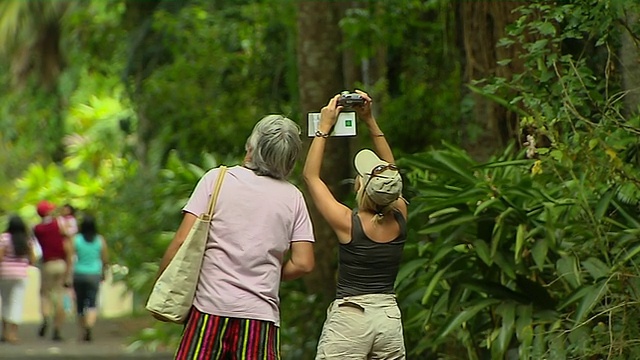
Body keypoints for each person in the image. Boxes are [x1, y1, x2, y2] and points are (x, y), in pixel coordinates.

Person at [159, 115, 316, 359]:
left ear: (252, 146)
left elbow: (182, 241)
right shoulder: (293, 198)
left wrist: (163, 281)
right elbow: (304, 263)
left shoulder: (216, 180)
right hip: (259, 316)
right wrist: (272, 273)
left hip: (209, 310)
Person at [303, 90, 408, 359]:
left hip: (352, 318)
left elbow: (311, 177)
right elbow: (391, 174)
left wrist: (323, 129)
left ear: (361, 187)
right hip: (388, 320)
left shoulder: (348, 223)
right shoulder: (400, 214)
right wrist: (370, 121)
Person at [33, 201, 73, 341]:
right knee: (60, 295)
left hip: (47, 264)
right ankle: (57, 328)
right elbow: (67, 237)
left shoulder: (37, 229)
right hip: (61, 263)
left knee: (45, 294)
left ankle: (45, 317)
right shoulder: (59, 223)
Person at [0, 215, 36, 343]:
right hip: (20, 275)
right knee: (16, 303)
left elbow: (0, 256)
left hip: (4, 274)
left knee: (5, 302)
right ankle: (14, 334)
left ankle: (5, 333)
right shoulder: (27, 239)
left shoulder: (4, 238)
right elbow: (33, 258)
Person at [71, 215, 108, 342]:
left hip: (79, 273)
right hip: (94, 274)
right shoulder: (100, 240)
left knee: (80, 303)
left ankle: (82, 329)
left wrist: (67, 276)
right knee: (92, 302)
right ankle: (89, 326)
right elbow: (105, 259)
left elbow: (70, 258)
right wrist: (104, 272)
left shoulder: (76, 239)